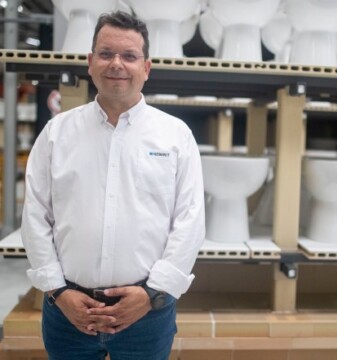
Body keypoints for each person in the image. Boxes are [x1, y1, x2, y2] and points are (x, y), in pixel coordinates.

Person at [21, 10, 205, 360]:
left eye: (129, 56)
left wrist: (152, 293)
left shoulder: (176, 136)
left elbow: (190, 221)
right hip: (69, 313)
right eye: (106, 54)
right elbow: (35, 215)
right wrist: (59, 292)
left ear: (146, 68)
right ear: (90, 63)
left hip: (146, 314)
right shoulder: (57, 134)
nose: (116, 64)